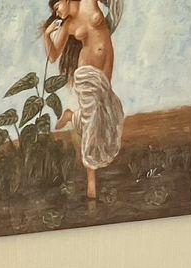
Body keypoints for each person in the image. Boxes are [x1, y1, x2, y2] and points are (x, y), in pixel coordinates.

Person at [44, 0, 125, 199]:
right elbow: (53, 56)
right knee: (92, 123)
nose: (57, 13)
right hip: (86, 73)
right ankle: (91, 182)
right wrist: (47, 35)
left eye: (56, 7)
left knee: (108, 114)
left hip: (105, 67)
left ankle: (72, 116)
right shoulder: (67, 26)